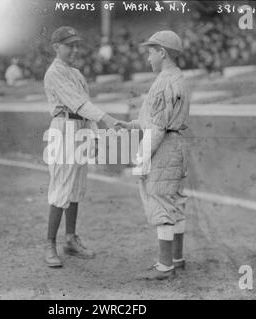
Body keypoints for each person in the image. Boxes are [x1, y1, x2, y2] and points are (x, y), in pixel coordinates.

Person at [115, 30, 190, 280]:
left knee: (160, 201)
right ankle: (177, 259)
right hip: (176, 143)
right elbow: (157, 120)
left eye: (151, 51)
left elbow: (157, 127)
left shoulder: (163, 82)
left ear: (162, 53)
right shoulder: (179, 78)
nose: (148, 57)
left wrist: (141, 158)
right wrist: (132, 124)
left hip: (163, 146)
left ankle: (165, 265)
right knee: (176, 200)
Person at [43, 26, 119, 268]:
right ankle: (50, 244)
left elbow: (87, 104)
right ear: (57, 47)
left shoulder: (76, 73)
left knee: (76, 187)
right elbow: (77, 104)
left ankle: (70, 239)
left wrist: (94, 136)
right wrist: (106, 119)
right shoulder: (53, 73)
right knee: (61, 187)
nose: (75, 49)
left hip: (80, 129)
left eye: (76, 45)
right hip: (63, 128)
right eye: (69, 45)